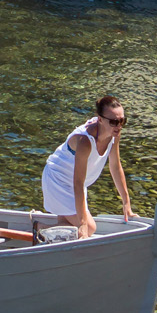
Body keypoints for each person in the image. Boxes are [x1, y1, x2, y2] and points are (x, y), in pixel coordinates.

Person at [41, 94, 133, 239]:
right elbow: (77, 182)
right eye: (114, 122)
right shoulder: (85, 141)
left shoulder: (114, 134)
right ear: (100, 120)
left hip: (76, 184)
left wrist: (126, 202)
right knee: (89, 228)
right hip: (58, 180)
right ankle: (40, 230)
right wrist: (83, 222)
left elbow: (115, 166)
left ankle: (48, 236)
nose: (119, 126)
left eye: (122, 121)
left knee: (68, 225)